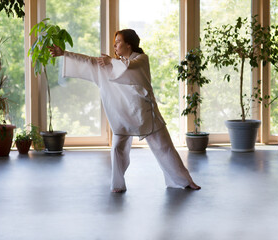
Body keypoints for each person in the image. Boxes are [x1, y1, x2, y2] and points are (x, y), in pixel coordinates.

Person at [48, 29, 201, 192]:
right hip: (123, 115)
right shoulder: (113, 64)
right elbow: (90, 61)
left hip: (146, 114)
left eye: (119, 41)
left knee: (165, 147)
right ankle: (118, 184)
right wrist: (65, 53)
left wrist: (110, 62)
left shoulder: (141, 59)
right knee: (117, 148)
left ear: (129, 44)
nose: (115, 45)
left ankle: (185, 181)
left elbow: (129, 67)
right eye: (115, 42)